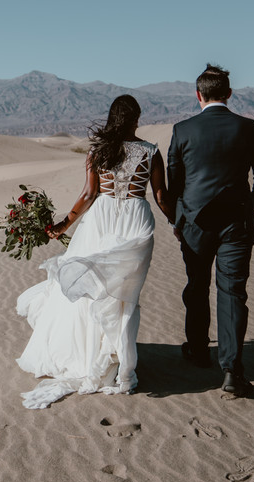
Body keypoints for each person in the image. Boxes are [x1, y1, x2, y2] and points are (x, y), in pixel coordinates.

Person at [15, 94, 174, 409]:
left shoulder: (98, 153)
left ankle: (103, 359)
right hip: (135, 222)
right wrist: (178, 222)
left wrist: (63, 225)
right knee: (124, 295)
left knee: (93, 291)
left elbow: (88, 194)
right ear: (137, 118)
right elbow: (160, 195)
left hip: (99, 221)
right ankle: (114, 363)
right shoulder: (151, 152)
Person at [168, 64, 254, 396]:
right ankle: (231, 371)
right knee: (232, 294)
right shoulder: (247, 127)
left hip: (195, 223)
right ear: (229, 93)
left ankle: (199, 351)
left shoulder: (182, 130)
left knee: (197, 286)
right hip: (236, 223)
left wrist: (177, 219)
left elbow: (175, 181)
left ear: (198, 95)